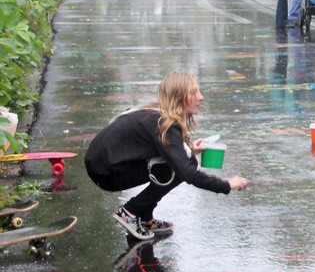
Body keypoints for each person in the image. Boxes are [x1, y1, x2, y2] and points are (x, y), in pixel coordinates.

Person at [84, 72, 248, 241]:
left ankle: (145, 216)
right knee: (182, 167)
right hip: (106, 172)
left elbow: (154, 150)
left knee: (182, 160)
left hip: (103, 165)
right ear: (179, 97)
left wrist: (189, 149)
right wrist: (226, 185)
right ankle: (130, 211)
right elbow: (188, 173)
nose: (201, 97)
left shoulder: (158, 115)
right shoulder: (164, 124)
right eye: (194, 92)